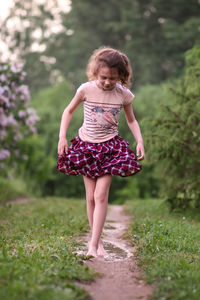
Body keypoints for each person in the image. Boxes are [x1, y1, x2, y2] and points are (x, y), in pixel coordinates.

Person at [57, 47, 145, 258]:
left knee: (101, 195)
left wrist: (140, 140)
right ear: (96, 72)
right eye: (103, 77)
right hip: (87, 146)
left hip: (110, 148)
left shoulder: (123, 95)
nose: (107, 82)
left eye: (113, 79)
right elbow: (68, 111)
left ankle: (92, 246)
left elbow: (131, 120)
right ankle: (99, 243)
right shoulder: (86, 89)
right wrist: (62, 136)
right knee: (90, 198)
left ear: (121, 77)